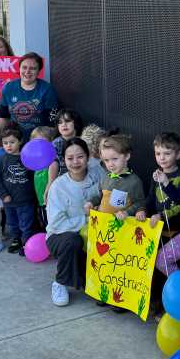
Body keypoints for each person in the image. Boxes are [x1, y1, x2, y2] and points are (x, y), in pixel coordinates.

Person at [46, 138, 101, 307]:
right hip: (61, 236)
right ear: (64, 160)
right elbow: (57, 224)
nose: (75, 162)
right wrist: (87, 218)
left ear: (88, 157)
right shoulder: (58, 186)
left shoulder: (98, 175)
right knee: (72, 241)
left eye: (80, 157)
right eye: (70, 158)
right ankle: (60, 282)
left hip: (94, 234)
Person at [0, 126, 35, 255]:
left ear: (20, 141)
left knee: (26, 224)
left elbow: (34, 176)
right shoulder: (1, 160)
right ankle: (16, 240)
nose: (9, 146)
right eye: (5, 143)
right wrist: (3, 195)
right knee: (13, 224)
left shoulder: (27, 158)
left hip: (26, 199)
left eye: (12, 142)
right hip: (9, 200)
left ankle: (26, 244)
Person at [138, 131, 180, 239]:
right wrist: (142, 209)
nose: (162, 158)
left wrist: (166, 182)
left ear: (178, 155)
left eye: (167, 153)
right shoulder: (157, 174)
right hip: (157, 227)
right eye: (158, 153)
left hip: (176, 230)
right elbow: (151, 197)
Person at [0, 52, 58, 134]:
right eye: (24, 67)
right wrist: (3, 138)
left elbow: (51, 122)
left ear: (39, 71)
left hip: (38, 139)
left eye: (33, 68)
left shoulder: (48, 90)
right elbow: (3, 117)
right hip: (14, 140)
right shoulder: (8, 88)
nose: (27, 71)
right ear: (19, 68)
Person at [96, 134, 145, 218]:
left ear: (127, 156)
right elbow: (99, 196)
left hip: (120, 226)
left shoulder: (134, 181)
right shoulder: (105, 177)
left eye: (114, 159)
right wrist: (91, 202)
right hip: (102, 224)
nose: (110, 164)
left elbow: (140, 203)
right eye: (106, 160)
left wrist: (127, 212)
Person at [30, 125, 60, 231]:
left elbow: (51, 180)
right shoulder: (34, 159)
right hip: (39, 198)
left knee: (49, 222)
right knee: (42, 221)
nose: (39, 145)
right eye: (36, 142)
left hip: (48, 198)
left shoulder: (51, 160)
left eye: (43, 142)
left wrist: (47, 193)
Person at [52, 108, 83, 177]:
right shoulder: (56, 144)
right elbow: (52, 173)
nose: (64, 125)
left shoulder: (83, 141)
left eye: (67, 121)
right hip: (62, 182)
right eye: (60, 122)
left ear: (76, 122)